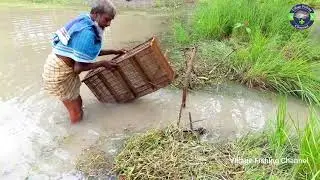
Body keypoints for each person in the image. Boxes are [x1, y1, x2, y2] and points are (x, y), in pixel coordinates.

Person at [42, 0, 124, 124]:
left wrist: (115, 51)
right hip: (60, 72)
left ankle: (76, 122)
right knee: (77, 113)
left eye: (111, 20)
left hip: (59, 64)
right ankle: (76, 135)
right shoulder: (87, 33)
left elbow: (88, 51)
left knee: (78, 102)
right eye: (107, 19)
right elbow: (78, 68)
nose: (109, 24)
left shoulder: (86, 20)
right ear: (96, 14)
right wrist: (103, 63)